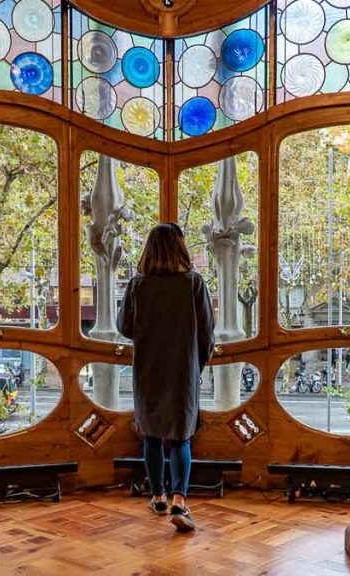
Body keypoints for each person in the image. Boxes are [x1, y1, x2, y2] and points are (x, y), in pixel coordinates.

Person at [118, 223, 214, 533]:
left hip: (148, 370)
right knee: (181, 436)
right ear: (182, 248)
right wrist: (199, 361)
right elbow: (207, 332)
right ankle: (179, 500)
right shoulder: (193, 284)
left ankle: (157, 495)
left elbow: (124, 326)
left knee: (152, 435)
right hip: (182, 370)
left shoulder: (138, 285)